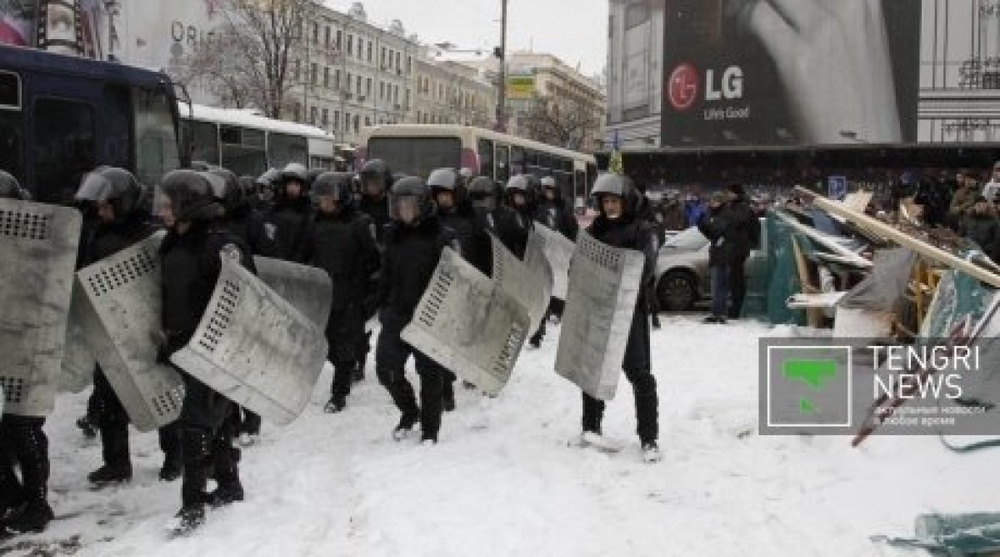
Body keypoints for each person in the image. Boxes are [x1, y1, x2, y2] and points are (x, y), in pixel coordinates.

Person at [156, 169, 255, 534]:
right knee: (217, 420)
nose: (162, 210)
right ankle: (230, 484)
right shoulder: (171, 242)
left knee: (194, 424)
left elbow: (245, 298)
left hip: (213, 348)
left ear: (187, 206)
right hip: (182, 343)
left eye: (168, 204)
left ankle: (192, 504)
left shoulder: (223, 245)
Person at [73, 167, 184, 486]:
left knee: (161, 391)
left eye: (107, 205)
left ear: (124, 203)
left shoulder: (151, 236)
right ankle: (116, 462)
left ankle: (173, 456)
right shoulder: (96, 232)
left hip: (147, 327)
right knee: (108, 399)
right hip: (108, 327)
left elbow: (164, 283)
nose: (101, 211)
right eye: (99, 206)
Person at [578, 173, 661, 463]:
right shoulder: (594, 231)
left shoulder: (643, 230)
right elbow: (579, 264)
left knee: (639, 374)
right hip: (599, 310)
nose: (610, 206)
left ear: (626, 202)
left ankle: (649, 439)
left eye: (614, 201)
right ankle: (590, 427)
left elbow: (646, 266)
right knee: (593, 371)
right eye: (605, 202)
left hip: (630, 311)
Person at [373, 176, 457, 444]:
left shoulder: (443, 236)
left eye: (408, 205)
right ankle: (410, 412)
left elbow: (455, 279)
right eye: (398, 205)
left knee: (430, 375)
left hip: (429, 316)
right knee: (386, 369)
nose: (403, 210)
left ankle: (430, 430)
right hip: (397, 313)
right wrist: (381, 305)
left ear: (422, 205)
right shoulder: (392, 234)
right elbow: (385, 274)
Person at [0, 174, 55, 538]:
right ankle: (11, 496)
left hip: (28, 343)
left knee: (25, 425)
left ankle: (37, 501)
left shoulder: (36, 240)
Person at [301, 172, 380, 414]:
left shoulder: (359, 223)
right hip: (324, 293)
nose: (323, 203)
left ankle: (339, 393)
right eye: (320, 198)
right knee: (328, 344)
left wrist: (370, 294)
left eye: (328, 198)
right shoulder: (314, 223)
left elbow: (373, 259)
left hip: (350, 293)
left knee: (344, 346)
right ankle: (345, 368)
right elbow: (304, 254)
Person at [427, 168, 490, 411]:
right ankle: (446, 389)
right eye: (438, 195)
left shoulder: (475, 217)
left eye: (446, 194)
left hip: (471, 283)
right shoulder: (432, 218)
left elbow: (487, 249)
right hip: (443, 284)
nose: (442, 199)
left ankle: (474, 371)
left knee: (469, 334)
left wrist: (487, 281)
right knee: (443, 339)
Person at [355, 159, 395, 382]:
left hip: (388, 267)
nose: (370, 187)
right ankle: (359, 360)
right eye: (367, 182)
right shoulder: (358, 204)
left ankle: (390, 365)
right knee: (358, 318)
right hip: (365, 267)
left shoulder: (394, 204)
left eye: (375, 182)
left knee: (390, 319)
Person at [698, 191, 736, 324]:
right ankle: (717, 313)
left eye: (714, 201)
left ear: (720, 202)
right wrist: (702, 224)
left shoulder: (726, 214)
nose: (711, 203)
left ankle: (720, 313)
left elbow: (716, 230)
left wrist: (706, 222)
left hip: (724, 254)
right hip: (717, 253)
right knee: (716, 286)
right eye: (711, 201)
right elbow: (711, 234)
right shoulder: (715, 214)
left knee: (720, 286)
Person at [263, 162, 313, 263]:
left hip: (296, 266)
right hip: (274, 262)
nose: (292, 188)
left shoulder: (307, 212)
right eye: (289, 184)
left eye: (296, 184)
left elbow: (305, 245)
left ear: (303, 187)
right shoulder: (275, 209)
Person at [722, 183, 758, 319]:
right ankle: (736, 308)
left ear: (736, 193)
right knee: (735, 279)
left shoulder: (742, 207)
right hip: (736, 247)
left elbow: (737, 221)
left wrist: (726, 213)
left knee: (736, 280)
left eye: (730, 193)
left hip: (739, 247)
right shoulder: (737, 206)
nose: (728, 195)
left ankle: (737, 309)